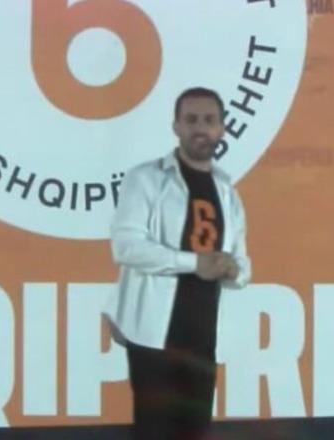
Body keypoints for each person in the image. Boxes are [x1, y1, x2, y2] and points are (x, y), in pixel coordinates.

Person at [105, 87, 251, 440]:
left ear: (222, 128)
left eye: (209, 120)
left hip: (203, 336)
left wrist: (233, 269)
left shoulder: (227, 191)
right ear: (176, 127)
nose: (200, 128)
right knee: (154, 432)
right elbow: (126, 247)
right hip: (153, 335)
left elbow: (243, 264)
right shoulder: (146, 179)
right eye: (191, 120)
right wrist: (194, 263)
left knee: (195, 433)